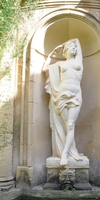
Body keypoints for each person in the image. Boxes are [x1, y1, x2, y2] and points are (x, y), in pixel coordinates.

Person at [42, 38, 83, 166]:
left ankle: (65, 153)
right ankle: (70, 150)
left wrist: (63, 43)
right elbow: (44, 69)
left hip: (75, 95)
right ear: (65, 51)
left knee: (70, 125)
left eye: (74, 47)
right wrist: (52, 53)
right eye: (70, 47)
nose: (73, 48)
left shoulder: (78, 61)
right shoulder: (60, 64)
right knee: (65, 126)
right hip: (62, 95)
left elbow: (77, 40)